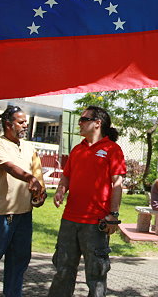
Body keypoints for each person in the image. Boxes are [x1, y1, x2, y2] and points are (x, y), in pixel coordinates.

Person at [48, 106, 126, 297]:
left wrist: (113, 215)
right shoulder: (77, 149)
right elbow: (66, 176)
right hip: (69, 220)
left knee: (96, 275)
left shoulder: (112, 150)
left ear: (97, 123)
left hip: (96, 223)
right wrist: (60, 190)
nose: (79, 123)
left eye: (84, 119)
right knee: (63, 270)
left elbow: (117, 183)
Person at [0, 106, 45, 297]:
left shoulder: (29, 147)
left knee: (19, 262)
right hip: (0, 215)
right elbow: (10, 167)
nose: (25, 125)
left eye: (26, 122)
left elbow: (38, 176)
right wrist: (30, 179)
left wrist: (39, 197)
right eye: (21, 122)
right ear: (8, 124)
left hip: (23, 216)